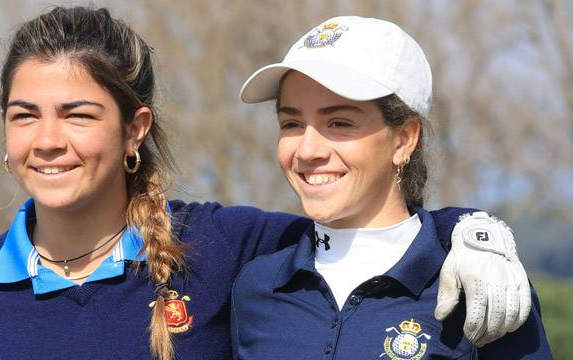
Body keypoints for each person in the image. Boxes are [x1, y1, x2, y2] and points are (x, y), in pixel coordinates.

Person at [0, 7, 532, 360]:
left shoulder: (221, 248)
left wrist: (475, 230)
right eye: (23, 114)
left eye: (78, 114)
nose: (46, 140)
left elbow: (368, 227)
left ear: (134, 130)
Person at [231, 16, 552, 359]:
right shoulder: (256, 288)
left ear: (404, 138)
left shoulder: (484, 285)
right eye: (291, 123)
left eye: (339, 123)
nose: (308, 150)